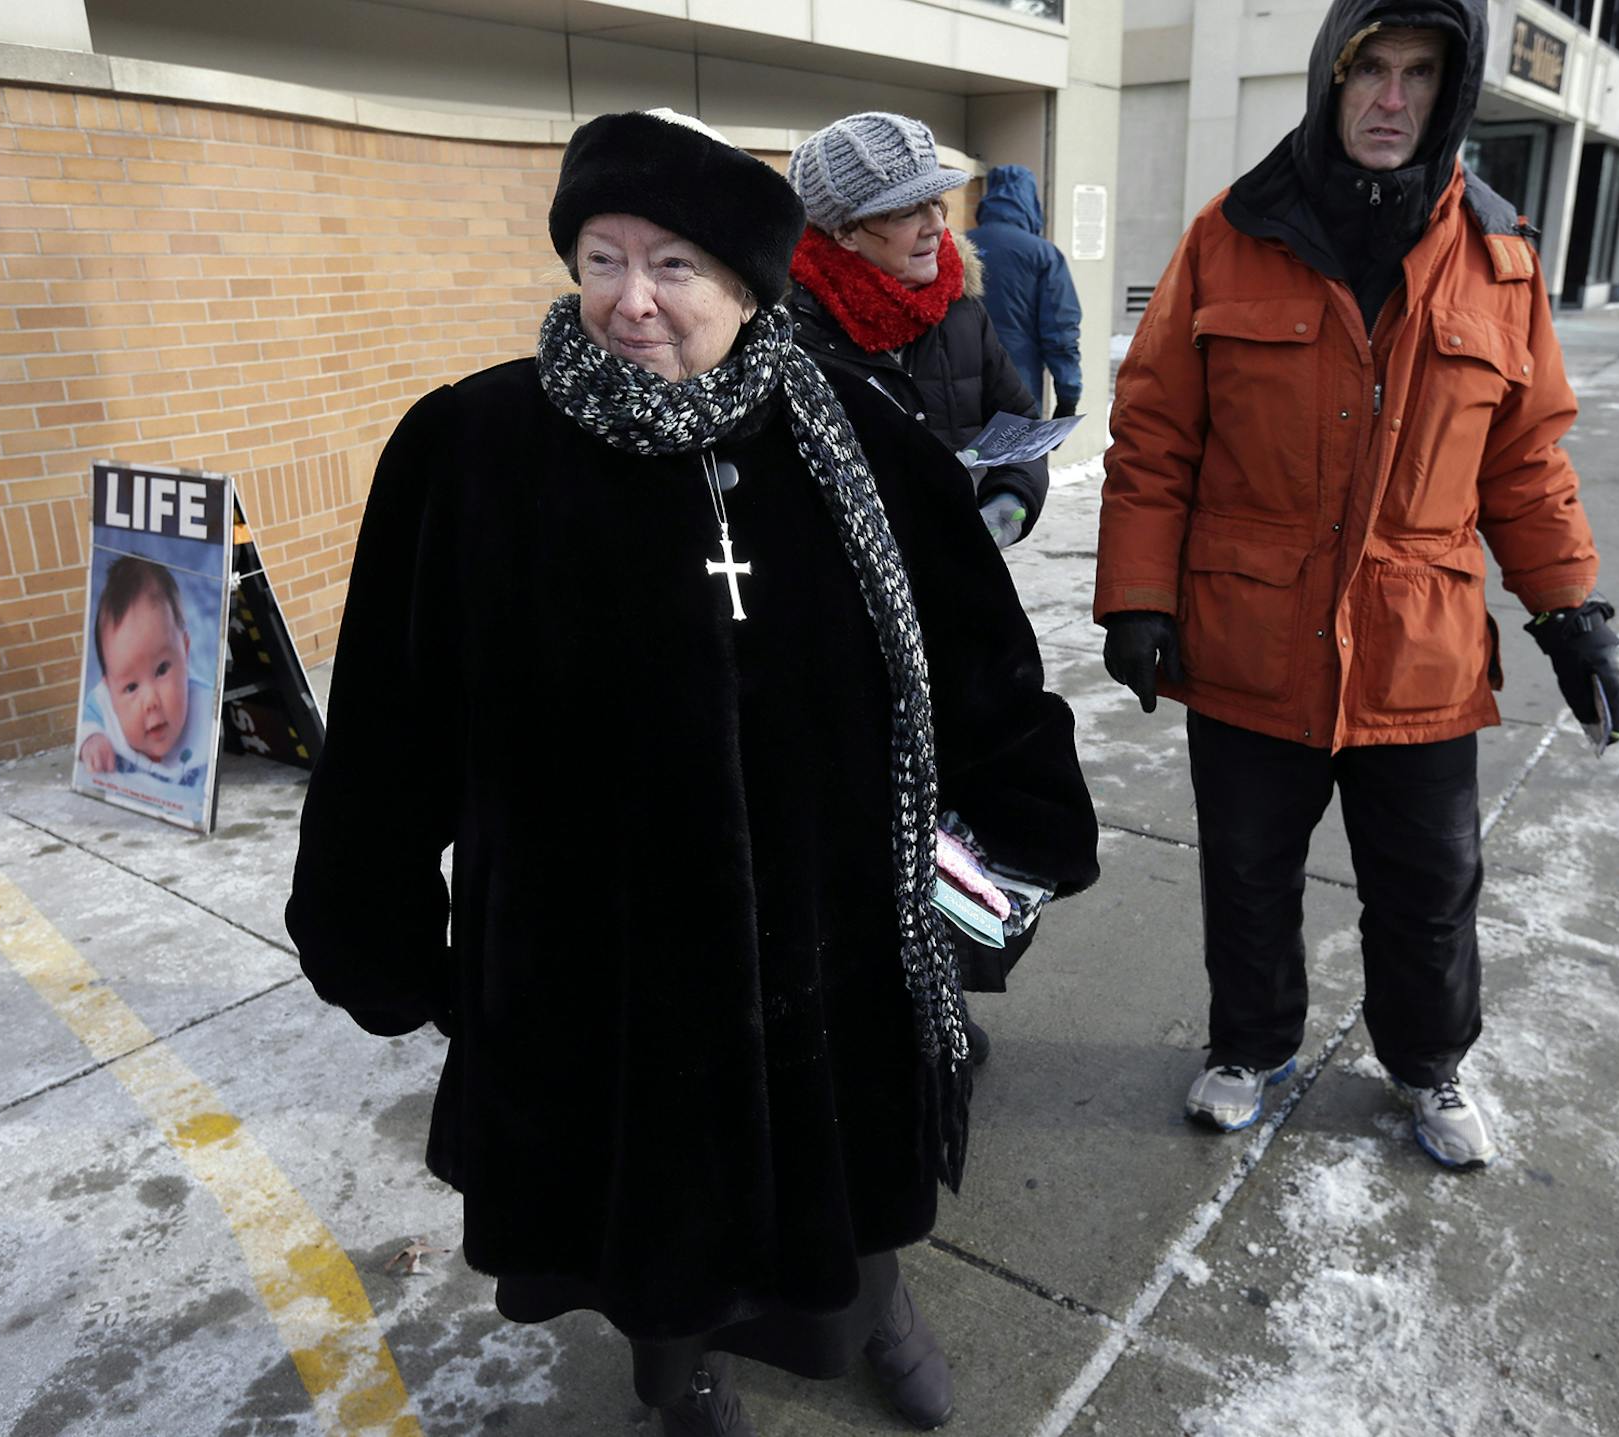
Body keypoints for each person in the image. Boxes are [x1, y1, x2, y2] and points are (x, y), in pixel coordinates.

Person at [286, 109, 1098, 1437]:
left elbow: (977, 659)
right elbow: (393, 711)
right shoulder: (469, 450)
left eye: (673, 267)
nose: (632, 302)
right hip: (591, 956)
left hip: (822, 930)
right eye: (603, 260)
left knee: (842, 1167)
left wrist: (1027, 818)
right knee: (647, 1218)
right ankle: (683, 1371)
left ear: (744, 283)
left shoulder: (865, 450)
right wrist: (371, 919)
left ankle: (871, 1300)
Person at [1095, 0, 1619, 1173]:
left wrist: (1574, 618)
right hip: (1250, 635)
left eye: (1420, 74)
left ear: (1452, 94)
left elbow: (1525, 459)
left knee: (1432, 885)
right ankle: (1251, 1045)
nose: (1391, 99)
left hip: (1420, 647)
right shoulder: (1228, 236)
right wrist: (1138, 596)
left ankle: (1431, 1063)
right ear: (1328, 80)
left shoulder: (1500, 260)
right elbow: (1154, 439)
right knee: (1248, 873)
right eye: (1370, 71)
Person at [787, 112, 1050, 551]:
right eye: (909, 210)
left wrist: (1011, 498)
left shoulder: (961, 308)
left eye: (936, 202)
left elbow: (1019, 423)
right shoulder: (791, 336)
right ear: (845, 232)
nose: (936, 225)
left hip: (964, 575)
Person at [77, 556, 212, 791]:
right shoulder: (102, 707)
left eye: (161, 670)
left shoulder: (206, 708)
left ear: (185, 651)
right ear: (109, 689)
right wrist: (92, 741)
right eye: (131, 687)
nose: (151, 701)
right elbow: (85, 723)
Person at [965, 163, 1085, 419]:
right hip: (1019, 389)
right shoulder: (1042, 254)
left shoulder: (958, 246)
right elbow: (1060, 332)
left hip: (959, 393)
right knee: (1020, 458)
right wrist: (1068, 396)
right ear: (1030, 201)